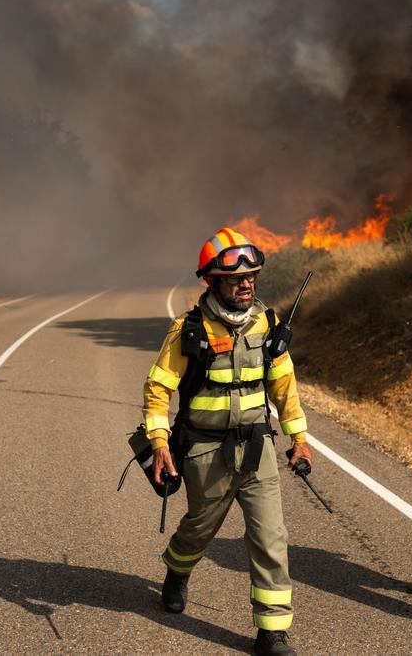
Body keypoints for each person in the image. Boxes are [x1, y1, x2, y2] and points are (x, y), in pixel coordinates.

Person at [143, 227, 312, 656]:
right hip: (204, 451)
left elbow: (285, 387)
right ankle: (177, 570)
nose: (247, 283)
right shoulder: (189, 329)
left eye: (252, 276)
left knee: (270, 537)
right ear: (213, 281)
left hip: (258, 450)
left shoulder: (267, 324)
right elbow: (158, 389)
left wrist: (299, 438)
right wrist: (160, 444)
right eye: (237, 277)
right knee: (199, 529)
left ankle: (272, 631)